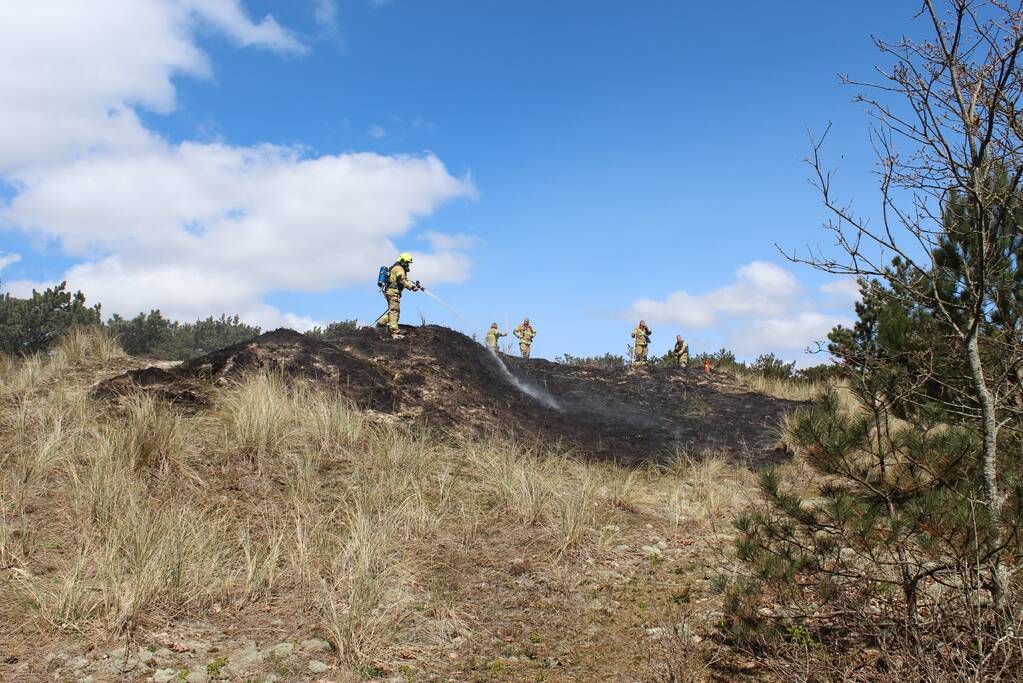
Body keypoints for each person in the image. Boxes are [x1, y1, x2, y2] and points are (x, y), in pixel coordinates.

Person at [375, 252, 421, 339]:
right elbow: (401, 280)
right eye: (407, 262)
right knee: (394, 311)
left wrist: (414, 284)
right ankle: (394, 332)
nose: (408, 265)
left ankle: (380, 324)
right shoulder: (399, 268)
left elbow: (404, 279)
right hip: (393, 292)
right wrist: (411, 287)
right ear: (403, 261)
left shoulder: (397, 268)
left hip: (391, 291)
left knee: (394, 311)